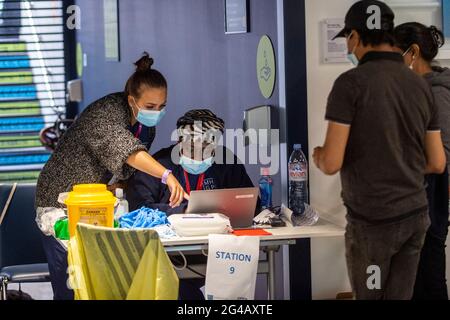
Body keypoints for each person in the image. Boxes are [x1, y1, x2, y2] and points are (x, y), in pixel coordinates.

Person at [312, 0, 446, 299]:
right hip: (415, 219)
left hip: (374, 225)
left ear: (356, 37)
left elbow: (332, 161)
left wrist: (318, 154)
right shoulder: (421, 85)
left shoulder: (351, 84)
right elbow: (437, 162)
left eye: (348, 39)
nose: (348, 48)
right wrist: (400, 161)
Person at [35, 52, 188, 300]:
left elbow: (127, 166)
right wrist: (167, 175)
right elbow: (127, 150)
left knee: (104, 281)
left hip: (95, 203)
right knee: (72, 280)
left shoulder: (144, 124)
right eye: (150, 107)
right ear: (131, 100)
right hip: (59, 202)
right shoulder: (104, 114)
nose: (156, 112)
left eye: (162, 107)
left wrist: (117, 185)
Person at [126, 109, 259, 299]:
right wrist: (184, 211)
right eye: (194, 144)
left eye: (208, 144)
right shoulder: (159, 165)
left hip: (217, 249)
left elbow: (251, 203)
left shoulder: (226, 162)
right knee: (180, 287)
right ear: (180, 141)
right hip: (169, 254)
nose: (201, 151)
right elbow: (137, 209)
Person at [394, 23, 450, 300]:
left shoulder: (437, 94)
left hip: (427, 210)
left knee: (429, 285)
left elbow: (441, 158)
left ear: (412, 53)